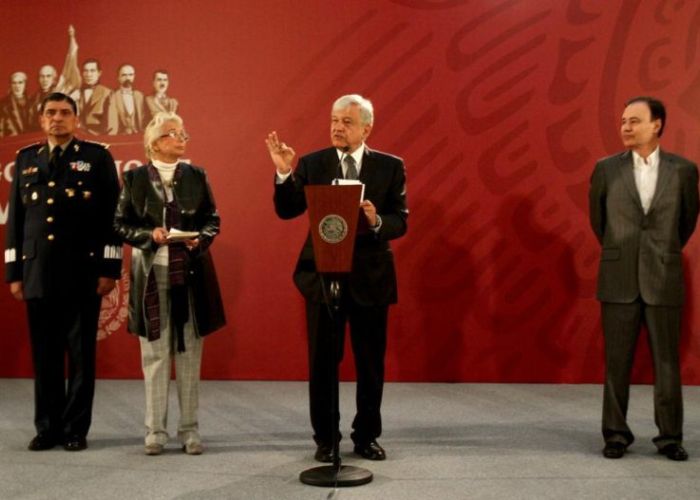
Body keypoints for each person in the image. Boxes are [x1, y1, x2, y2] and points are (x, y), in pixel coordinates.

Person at [267, 94, 408, 462]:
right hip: (322, 277)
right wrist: (284, 172)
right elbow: (287, 210)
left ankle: (366, 437)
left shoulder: (390, 167)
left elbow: (400, 221)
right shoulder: (313, 164)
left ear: (366, 128)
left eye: (346, 122)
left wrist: (376, 220)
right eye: (334, 120)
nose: (337, 127)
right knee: (323, 362)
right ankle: (326, 439)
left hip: (370, 278)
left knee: (370, 362)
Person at [4, 92, 122, 451]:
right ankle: (47, 427)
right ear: (41, 120)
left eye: (65, 113)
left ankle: (74, 430)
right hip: (38, 273)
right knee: (45, 355)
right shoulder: (26, 160)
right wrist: (14, 272)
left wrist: (109, 267)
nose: (58, 118)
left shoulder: (96, 157)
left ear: (75, 120)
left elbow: (111, 219)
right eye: (51, 113)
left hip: (82, 273)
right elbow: (16, 223)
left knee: (81, 356)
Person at [589, 96, 699, 461]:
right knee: (616, 362)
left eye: (634, 120)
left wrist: (658, 252)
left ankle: (670, 437)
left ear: (657, 125)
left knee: (667, 362)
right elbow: (599, 223)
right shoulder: (605, 169)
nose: (625, 127)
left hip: (663, 276)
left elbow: (685, 224)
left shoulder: (684, 171)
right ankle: (615, 436)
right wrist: (625, 251)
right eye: (622, 121)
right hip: (618, 277)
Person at [114, 111, 225, 456]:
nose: (181, 138)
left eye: (183, 133)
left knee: (190, 353)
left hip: (190, 273)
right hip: (151, 275)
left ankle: (189, 431)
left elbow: (212, 219)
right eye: (173, 133)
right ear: (155, 143)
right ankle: (155, 431)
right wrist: (150, 235)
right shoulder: (133, 179)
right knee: (155, 355)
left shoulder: (196, 175)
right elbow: (120, 225)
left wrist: (199, 240)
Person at [71, 59, 111, 135]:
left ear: (99, 73)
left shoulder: (108, 93)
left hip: (99, 137)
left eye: (92, 71)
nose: (88, 74)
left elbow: (110, 124)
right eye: (86, 71)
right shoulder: (76, 93)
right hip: (78, 137)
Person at [106, 64, 145, 135]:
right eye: (124, 75)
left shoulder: (140, 96)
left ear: (134, 76)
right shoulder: (113, 96)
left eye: (130, 75)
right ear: (118, 77)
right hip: (121, 136)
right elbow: (112, 122)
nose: (128, 78)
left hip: (139, 136)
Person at [0, 72, 31, 136]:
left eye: (20, 82)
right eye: (14, 83)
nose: (17, 86)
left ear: (25, 84)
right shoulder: (3, 104)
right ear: (11, 85)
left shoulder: (32, 101)